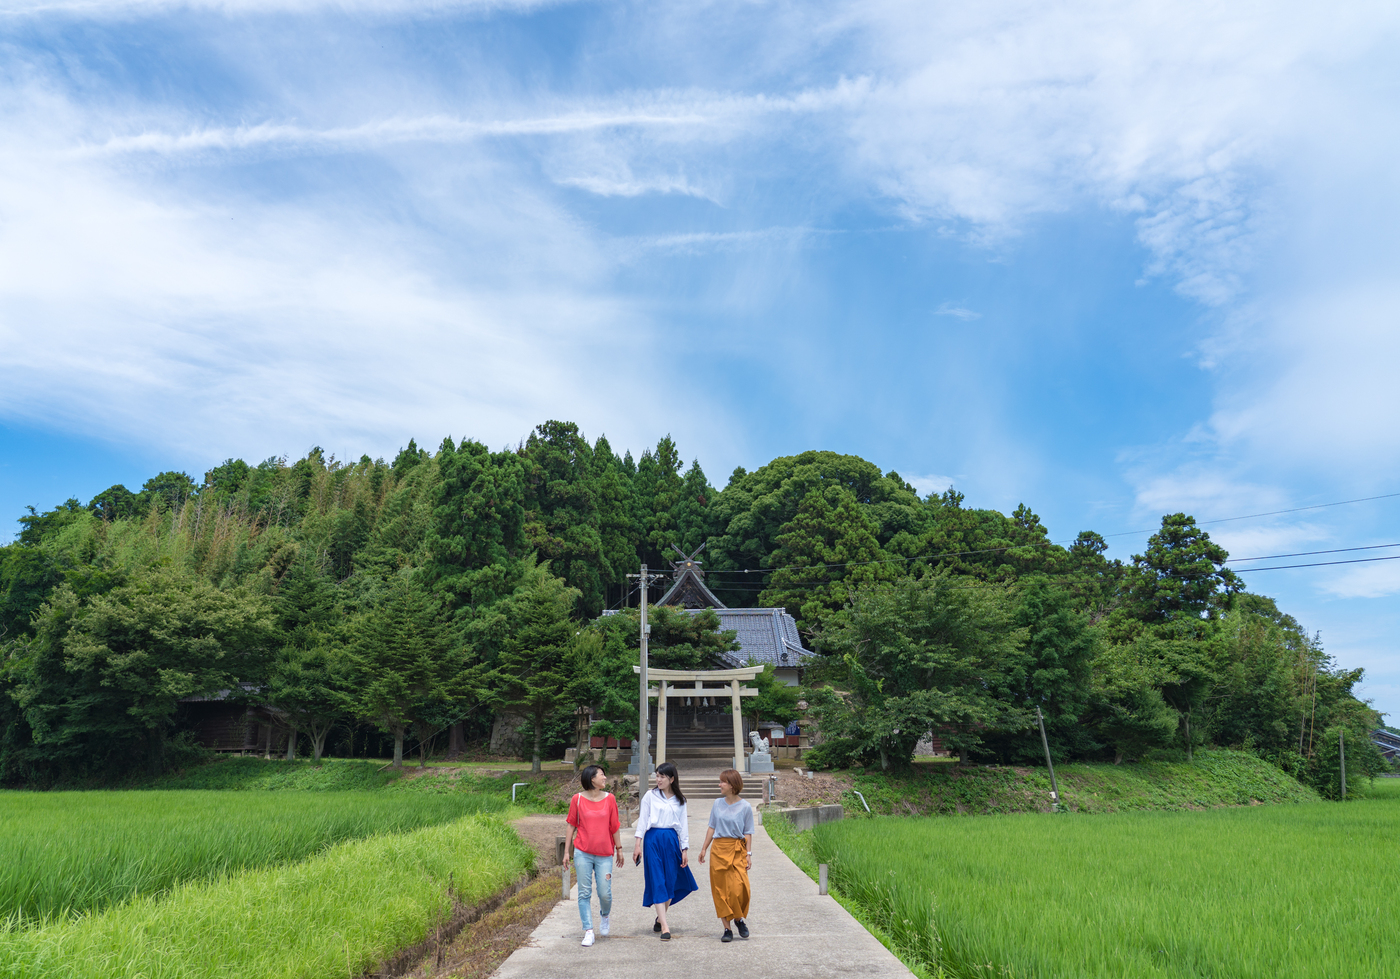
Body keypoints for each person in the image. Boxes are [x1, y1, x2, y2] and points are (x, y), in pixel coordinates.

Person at [631, 761, 698, 939]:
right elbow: (643, 821)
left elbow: (683, 826)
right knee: (658, 880)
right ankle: (665, 927)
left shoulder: (680, 800)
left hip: (671, 840)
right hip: (652, 840)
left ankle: (660, 919)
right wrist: (637, 844)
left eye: (662, 776)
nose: (658, 779)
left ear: (672, 779)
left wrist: (685, 849)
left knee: (670, 881)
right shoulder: (650, 796)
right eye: (657, 775)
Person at [566, 765, 623, 947]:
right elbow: (571, 825)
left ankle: (604, 915)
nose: (605, 778)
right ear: (592, 779)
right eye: (602, 775)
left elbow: (614, 826)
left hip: (605, 853)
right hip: (582, 852)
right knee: (584, 892)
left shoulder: (610, 799)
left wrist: (619, 849)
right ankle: (588, 930)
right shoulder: (577, 800)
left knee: (604, 892)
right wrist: (567, 851)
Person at [697, 769, 754, 942]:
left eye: (723, 782)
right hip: (719, 849)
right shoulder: (717, 803)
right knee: (720, 890)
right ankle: (727, 929)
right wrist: (704, 848)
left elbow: (748, 832)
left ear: (732, 785)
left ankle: (738, 919)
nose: (719, 784)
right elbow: (712, 827)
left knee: (740, 889)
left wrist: (748, 854)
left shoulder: (745, 807)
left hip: (737, 849)